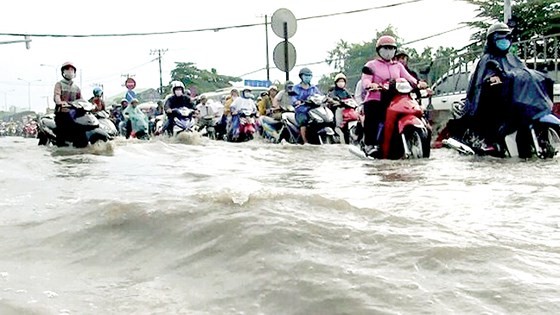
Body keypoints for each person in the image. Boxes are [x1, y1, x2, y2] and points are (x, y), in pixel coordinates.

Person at [457, 22, 553, 152]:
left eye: (506, 38)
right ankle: (489, 142)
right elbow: (482, 81)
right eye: (500, 38)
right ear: (492, 40)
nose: (504, 41)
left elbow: (523, 73)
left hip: (515, 102)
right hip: (492, 105)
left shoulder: (513, 58)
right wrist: (491, 80)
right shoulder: (485, 60)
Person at [360, 35, 427, 156]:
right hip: (377, 97)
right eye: (385, 48)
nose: (388, 51)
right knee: (373, 117)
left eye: (391, 48)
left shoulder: (398, 66)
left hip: (396, 98)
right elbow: (365, 80)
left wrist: (418, 83)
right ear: (379, 50)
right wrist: (371, 85)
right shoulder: (371, 65)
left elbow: (409, 78)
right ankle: (371, 145)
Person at [53, 61, 83, 146]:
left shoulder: (76, 87)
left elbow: (81, 99)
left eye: (72, 69)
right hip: (62, 113)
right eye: (67, 69)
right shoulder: (59, 84)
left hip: (74, 114)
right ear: (63, 72)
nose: (69, 71)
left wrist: (90, 105)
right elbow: (57, 95)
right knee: (61, 132)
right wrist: (60, 102)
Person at [292, 68, 321, 144]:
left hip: (313, 110)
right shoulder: (295, 88)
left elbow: (319, 96)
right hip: (301, 111)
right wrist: (296, 101)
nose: (308, 77)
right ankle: (305, 141)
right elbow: (292, 98)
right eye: (306, 75)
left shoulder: (314, 88)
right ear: (301, 77)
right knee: (303, 121)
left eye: (309, 75)